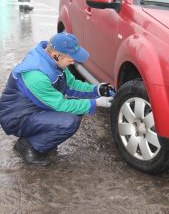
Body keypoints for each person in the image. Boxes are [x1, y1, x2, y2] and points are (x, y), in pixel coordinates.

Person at [0, 32, 114, 166]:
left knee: (79, 108)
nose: (74, 61)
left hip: (36, 107)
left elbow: (71, 85)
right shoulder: (36, 75)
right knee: (69, 121)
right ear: (56, 55)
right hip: (17, 117)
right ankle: (28, 145)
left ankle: (40, 137)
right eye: (71, 57)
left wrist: (96, 90)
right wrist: (96, 103)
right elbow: (61, 105)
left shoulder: (55, 62)